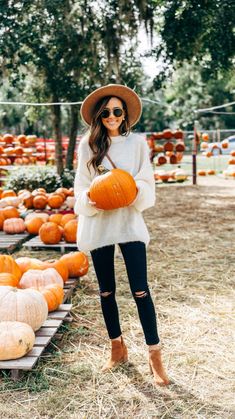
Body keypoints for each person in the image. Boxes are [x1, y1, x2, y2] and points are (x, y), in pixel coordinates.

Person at [74, 84, 170, 386]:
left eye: (117, 111)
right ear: (99, 116)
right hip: (100, 222)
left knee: (140, 290)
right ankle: (117, 348)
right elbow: (80, 186)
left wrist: (130, 191)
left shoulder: (137, 143)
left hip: (129, 221)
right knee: (106, 291)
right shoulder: (87, 145)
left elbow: (146, 181)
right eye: (105, 112)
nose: (111, 116)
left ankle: (155, 355)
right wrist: (91, 197)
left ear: (124, 113)